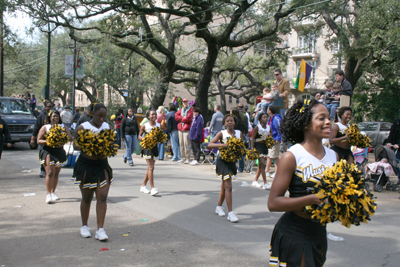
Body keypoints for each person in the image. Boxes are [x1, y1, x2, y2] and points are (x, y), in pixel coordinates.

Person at [268, 99, 336, 267]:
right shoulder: (292, 156)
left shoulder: (333, 156)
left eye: (329, 117)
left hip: (319, 232)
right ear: (306, 124)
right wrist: (311, 199)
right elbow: (273, 203)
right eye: (321, 118)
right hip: (295, 232)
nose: (328, 122)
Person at [72, 103, 113, 241]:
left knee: (102, 197)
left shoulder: (107, 127)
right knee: (87, 197)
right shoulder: (83, 127)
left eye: (104, 116)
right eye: (98, 116)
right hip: (86, 166)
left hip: (102, 165)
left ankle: (100, 229)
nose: (101, 119)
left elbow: (112, 143)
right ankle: (84, 226)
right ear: (91, 114)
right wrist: (88, 143)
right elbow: (75, 144)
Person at [208, 114, 243, 223]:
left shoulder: (239, 133)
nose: (229, 122)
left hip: (232, 161)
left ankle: (219, 206)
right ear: (224, 123)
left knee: (224, 185)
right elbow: (210, 144)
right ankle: (231, 213)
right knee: (228, 186)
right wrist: (223, 145)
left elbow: (241, 146)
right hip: (222, 161)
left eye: (231, 120)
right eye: (227, 121)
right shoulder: (221, 133)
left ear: (234, 122)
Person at [37, 110, 73, 203]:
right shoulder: (45, 127)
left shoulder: (63, 127)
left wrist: (64, 137)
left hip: (59, 151)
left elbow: (70, 137)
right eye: (53, 116)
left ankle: (53, 192)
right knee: (49, 173)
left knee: (56, 173)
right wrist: (49, 141)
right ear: (50, 118)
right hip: (48, 151)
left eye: (57, 116)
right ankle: (48, 194)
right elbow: (39, 140)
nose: (55, 118)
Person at [30, 99, 55, 178]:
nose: (50, 108)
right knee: (43, 155)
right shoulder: (41, 116)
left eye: (51, 106)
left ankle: (52, 170)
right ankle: (43, 170)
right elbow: (36, 128)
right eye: (48, 106)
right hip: (43, 139)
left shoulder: (55, 115)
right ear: (45, 107)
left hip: (54, 139)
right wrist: (32, 139)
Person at [138, 110, 160, 196]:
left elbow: (160, 136)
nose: (154, 116)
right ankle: (152, 188)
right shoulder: (145, 125)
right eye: (152, 114)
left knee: (150, 167)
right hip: (147, 147)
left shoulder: (158, 125)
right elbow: (139, 136)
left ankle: (143, 186)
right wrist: (145, 139)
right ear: (148, 116)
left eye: (155, 114)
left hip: (155, 148)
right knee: (151, 167)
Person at [251, 113, 272, 190]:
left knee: (261, 165)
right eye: (264, 117)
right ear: (260, 119)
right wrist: (252, 148)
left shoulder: (269, 128)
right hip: (258, 146)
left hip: (264, 147)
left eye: (266, 117)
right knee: (263, 164)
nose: (266, 118)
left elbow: (271, 135)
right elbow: (253, 138)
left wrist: (270, 141)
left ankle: (255, 180)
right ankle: (265, 183)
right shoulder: (257, 127)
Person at [265, 106, 282, 179]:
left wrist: (278, 138)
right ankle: (267, 171)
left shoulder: (276, 119)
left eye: (268, 109)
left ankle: (276, 172)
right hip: (271, 139)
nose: (267, 110)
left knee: (275, 157)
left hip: (275, 140)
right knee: (270, 156)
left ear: (270, 111)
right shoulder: (271, 118)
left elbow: (280, 129)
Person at [175, 98, 193, 164]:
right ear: (182, 103)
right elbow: (176, 116)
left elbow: (188, 118)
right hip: (180, 128)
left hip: (186, 129)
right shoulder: (181, 109)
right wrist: (182, 118)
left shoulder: (190, 109)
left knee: (186, 144)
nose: (185, 103)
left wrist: (181, 118)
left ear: (188, 102)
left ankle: (188, 158)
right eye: (184, 102)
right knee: (181, 144)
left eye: (186, 102)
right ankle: (183, 158)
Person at [231, 108, 246, 173]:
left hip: (235, 136)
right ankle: (241, 167)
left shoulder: (235, 120)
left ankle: (235, 167)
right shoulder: (241, 119)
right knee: (239, 153)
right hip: (240, 135)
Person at [386, 117, 400, 183]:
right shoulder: (397, 122)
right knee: (393, 162)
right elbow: (392, 133)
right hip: (395, 147)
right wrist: (389, 142)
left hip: (398, 146)